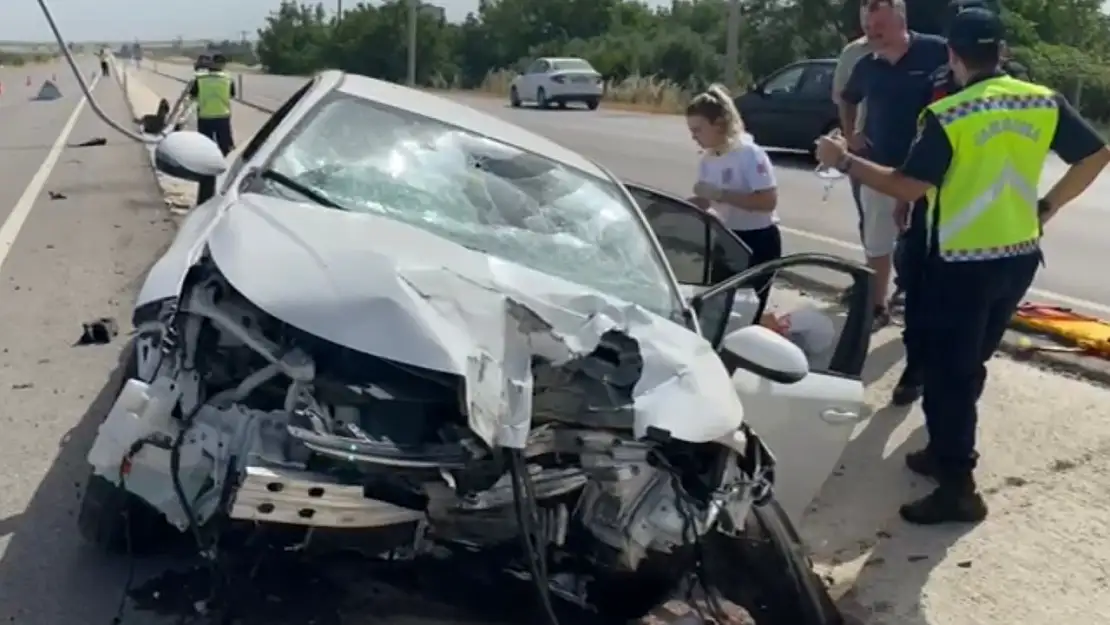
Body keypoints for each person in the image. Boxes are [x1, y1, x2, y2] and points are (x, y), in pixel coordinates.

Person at [815, 7, 1110, 525]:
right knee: (969, 362)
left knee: (946, 373)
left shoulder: (950, 114)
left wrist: (843, 160)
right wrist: (1047, 206)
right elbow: (1095, 155)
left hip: (956, 262)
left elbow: (907, 186)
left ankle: (958, 485)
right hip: (1017, 256)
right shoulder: (1042, 101)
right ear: (1002, 53)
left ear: (953, 55)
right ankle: (945, 449)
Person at [840, 0, 948, 332]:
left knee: (928, 246)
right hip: (879, 169)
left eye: (879, 26)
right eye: (868, 28)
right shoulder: (866, 65)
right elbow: (847, 97)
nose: (872, 33)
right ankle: (876, 307)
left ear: (900, 19)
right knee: (877, 242)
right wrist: (850, 135)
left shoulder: (936, 51)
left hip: (929, 172)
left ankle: (924, 311)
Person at [685, 84, 781, 321]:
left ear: (718, 124)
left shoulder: (749, 154)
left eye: (698, 129)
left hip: (757, 240)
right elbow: (708, 201)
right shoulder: (708, 159)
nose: (693, 136)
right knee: (718, 309)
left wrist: (720, 194)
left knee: (748, 312)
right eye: (691, 130)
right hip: (726, 239)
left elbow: (768, 201)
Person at [833, 3, 873, 304]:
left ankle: (903, 282)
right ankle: (872, 283)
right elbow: (842, 99)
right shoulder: (853, 53)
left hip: (904, 148)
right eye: (864, 7)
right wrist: (849, 137)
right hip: (864, 150)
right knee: (868, 218)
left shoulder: (918, 48)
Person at [190, 54, 236, 205]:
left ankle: (205, 195)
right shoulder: (228, 79)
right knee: (226, 151)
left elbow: (193, 96)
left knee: (206, 155)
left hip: (205, 118)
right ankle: (228, 185)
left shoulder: (200, 79)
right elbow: (232, 95)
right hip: (223, 117)